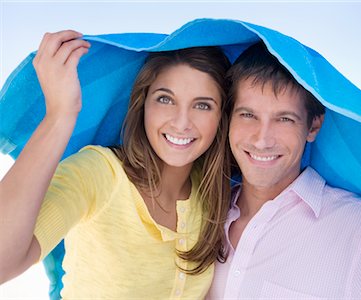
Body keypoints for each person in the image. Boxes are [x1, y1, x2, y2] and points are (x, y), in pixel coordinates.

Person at [0, 30, 232, 299]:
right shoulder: (99, 172)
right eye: (165, 99)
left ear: (221, 118)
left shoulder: (215, 195)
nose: (181, 122)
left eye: (202, 105)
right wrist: (60, 113)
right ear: (142, 104)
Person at [208, 41, 361, 299]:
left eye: (284, 119)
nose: (262, 139)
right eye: (248, 115)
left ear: (313, 127)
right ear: (228, 118)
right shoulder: (203, 212)